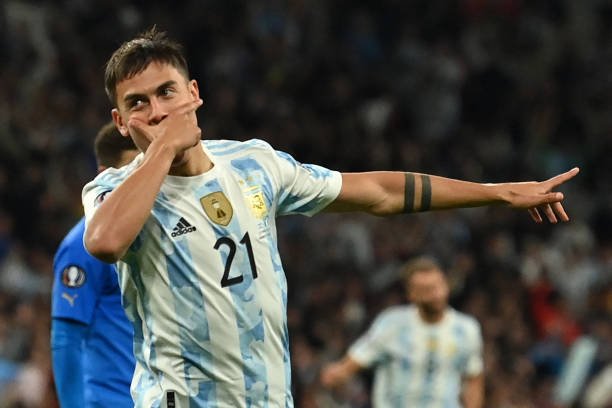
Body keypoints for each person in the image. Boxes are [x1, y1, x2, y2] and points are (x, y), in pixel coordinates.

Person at [82, 27, 578, 407]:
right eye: (138, 104)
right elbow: (104, 242)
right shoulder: (112, 189)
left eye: (167, 92)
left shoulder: (254, 163)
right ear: (120, 122)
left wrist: (495, 193)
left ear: (193, 92)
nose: (157, 111)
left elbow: (379, 192)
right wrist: (163, 149)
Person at [51, 121, 139, 407]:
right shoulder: (83, 244)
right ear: (105, 175)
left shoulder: (154, 235)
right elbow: (66, 339)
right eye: (133, 169)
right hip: (112, 400)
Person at [321, 256, 484, 407]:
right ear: (411, 294)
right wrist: (338, 373)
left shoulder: (466, 329)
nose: (435, 295)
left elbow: (474, 378)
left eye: (437, 286)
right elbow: (358, 357)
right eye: (426, 290)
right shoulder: (392, 324)